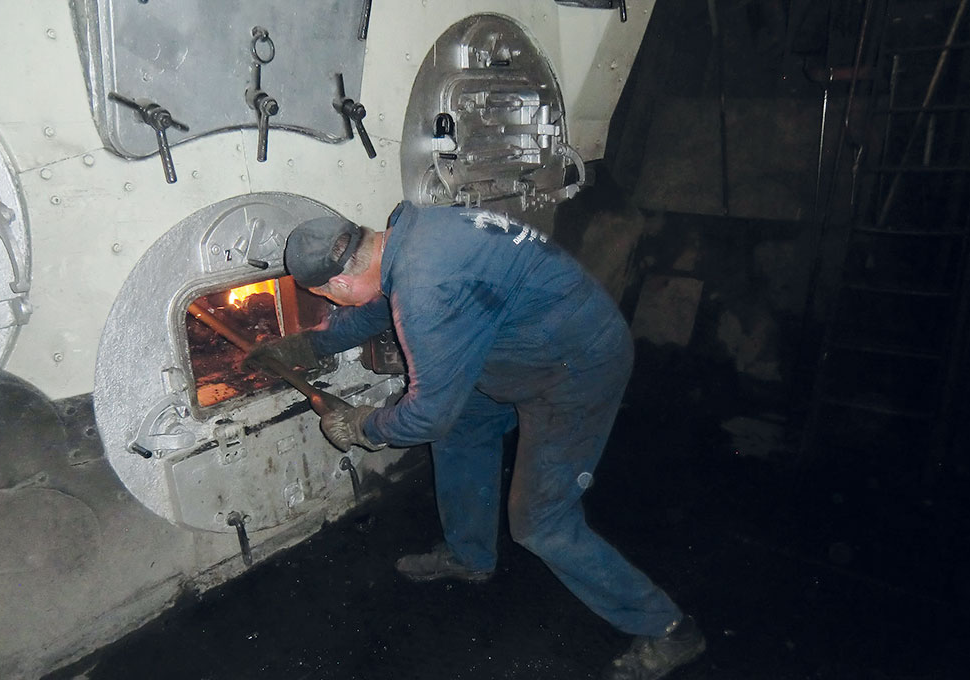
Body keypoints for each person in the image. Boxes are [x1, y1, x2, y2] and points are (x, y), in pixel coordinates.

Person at [251, 201, 705, 679]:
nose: (340, 303)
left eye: (332, 299)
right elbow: (381, 301)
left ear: (338, 284)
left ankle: (669, 628)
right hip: (528, 350)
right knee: (463, 427)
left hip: (576, 371)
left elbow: (426, 415)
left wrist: (364, 425)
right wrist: (312, 343)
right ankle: (470, 556)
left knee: (540, 524)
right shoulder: (411, 236)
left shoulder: (425, 288)